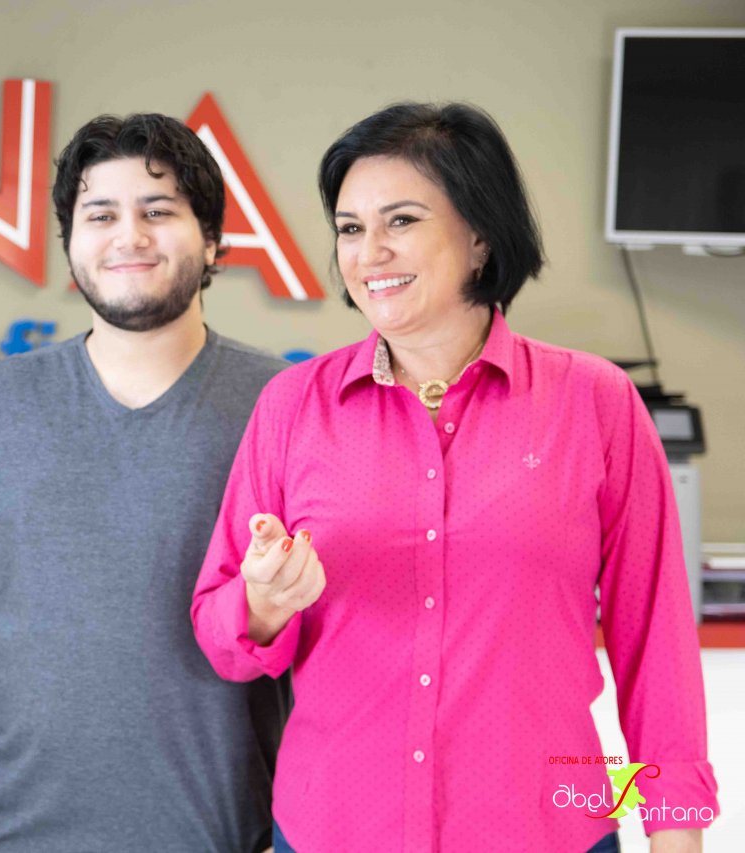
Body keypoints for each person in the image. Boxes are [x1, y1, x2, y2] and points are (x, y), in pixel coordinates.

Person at [191, 102, 719, 853]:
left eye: (401, 221)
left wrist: (675, 835)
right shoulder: (293, 406)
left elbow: (656, 640)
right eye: (350, 228)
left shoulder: (595, 402)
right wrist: (265, 602)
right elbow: (221, 630)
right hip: (334, 828)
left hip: (547, 827)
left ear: (479, 236)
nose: (369, 252)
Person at [0, 113, 289, 852]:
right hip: (15, 837)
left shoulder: (283, 405)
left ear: (212, 240)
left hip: (230, 837)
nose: (129, 236)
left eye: (158, 211)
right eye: (101, 215)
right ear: (72, 242)